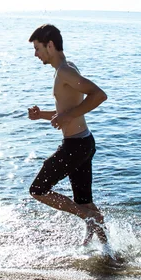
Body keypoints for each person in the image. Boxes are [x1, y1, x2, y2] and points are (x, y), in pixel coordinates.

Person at [27, 23, 108, 245]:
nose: (35, 54)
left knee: (38, 189)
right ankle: (108, 252)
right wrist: (41, 115)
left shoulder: (65, 71)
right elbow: (65, 111)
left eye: (37, 48)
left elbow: (99, 95)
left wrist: (67, 116)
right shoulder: (65, 68)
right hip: (83, 142)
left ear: (50, 45)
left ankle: (87, 218)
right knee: (85, 201)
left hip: (76, 146)